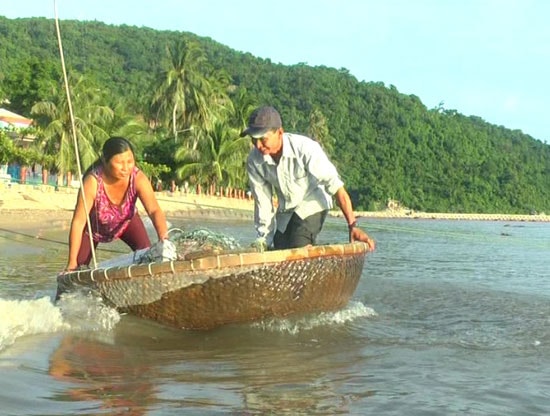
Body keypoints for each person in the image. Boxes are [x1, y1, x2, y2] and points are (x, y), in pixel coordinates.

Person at [241, 105, 376, 252]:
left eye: (263, 139)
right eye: (254, 140)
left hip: (313, 201)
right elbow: (263, 202)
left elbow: (336, 187)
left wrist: (353, 226)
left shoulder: (305, 149)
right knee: (279, 248)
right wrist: (263, 239)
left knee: (297, 246)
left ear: (279, 132)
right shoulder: (254, 160)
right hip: (287, 210)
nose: (258, 145)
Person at [65, 136, 169, 271]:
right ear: (105, 160)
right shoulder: (92, 182)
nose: (126, 168)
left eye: (130, 161)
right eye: (120, 163)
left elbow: (154, 210)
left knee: (147, 258)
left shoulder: (138, 178)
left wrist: (164, 239)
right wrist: (71, 261)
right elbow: (78, 222)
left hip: (126, 222)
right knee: (77, 269)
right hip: (92, 229)